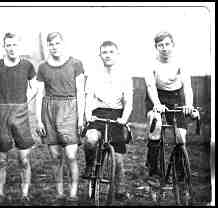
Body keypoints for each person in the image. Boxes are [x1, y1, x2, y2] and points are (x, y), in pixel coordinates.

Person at [35, 32, 85, 201]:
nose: (54, 47)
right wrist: (38, 119)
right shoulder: (42, 67)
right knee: (55, 157)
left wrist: (80, 117)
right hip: (49, 110)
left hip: (70, 109)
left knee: (71, 155)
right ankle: (59, 192)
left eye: (57, 43)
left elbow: (81, 93)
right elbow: (39, 94)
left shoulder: (75, 63)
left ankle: (73, 192)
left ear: (63, 44)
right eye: (51, 44)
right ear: (47, 46)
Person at [83, 40, 133, 200]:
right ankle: (90, 165)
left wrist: (124, 119)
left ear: (117, 54)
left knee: (118, 158)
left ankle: (120, 189)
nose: (108, 55)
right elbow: (88, 98)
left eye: (111, 52)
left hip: (117, 116)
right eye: (105, 52)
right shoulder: (94, 75)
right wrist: (88, 115)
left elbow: (129, 102)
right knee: (90, 140)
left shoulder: (125, 76)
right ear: (100, 55)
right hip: (98, 114)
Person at [0, 33, 37, 203]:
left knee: (23, 158)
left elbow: (35, 88)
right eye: (8, 45)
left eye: (14, 45)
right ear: (4, 46)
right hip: (1, 113)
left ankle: (24, 194)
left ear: (20, 46)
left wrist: (24, 100)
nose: (11, 48)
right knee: (2, 158)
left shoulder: (27, 65)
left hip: (20, 113)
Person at [144, 31, 195, 178]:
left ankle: (180, 172)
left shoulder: (181, 62)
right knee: (156, 125)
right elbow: (150, 87)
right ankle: (153, 169)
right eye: (160, 45)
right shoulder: (151, 63)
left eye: (167, 44)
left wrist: (189, 105)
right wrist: (157, 104)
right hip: (156, 96)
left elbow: (187, 87)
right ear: (156, 47)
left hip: (176, 96)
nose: (164, 48)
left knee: (181, 136)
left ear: (173, 45)